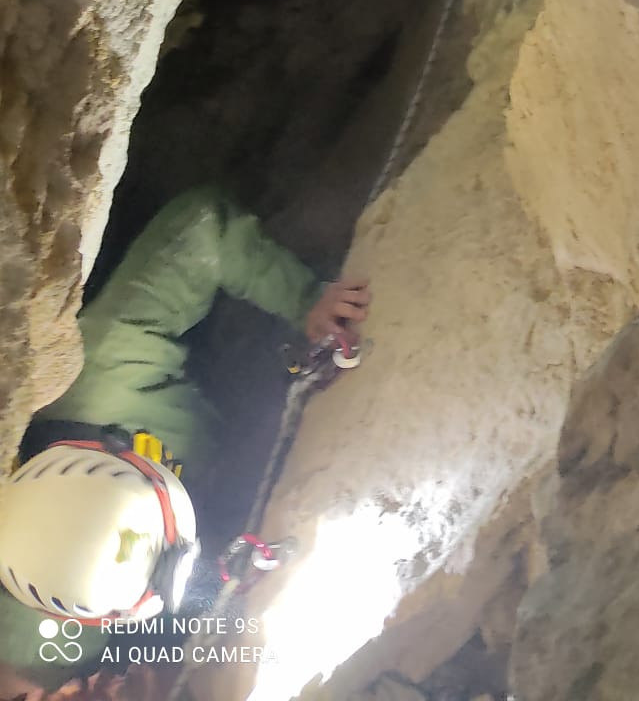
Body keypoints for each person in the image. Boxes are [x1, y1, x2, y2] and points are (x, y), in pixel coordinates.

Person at [0, 189, 370, 681]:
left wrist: (305, 299)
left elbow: (202, 228)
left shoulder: (106, 363)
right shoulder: (48, 629)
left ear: (126, 457)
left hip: (207, 387)